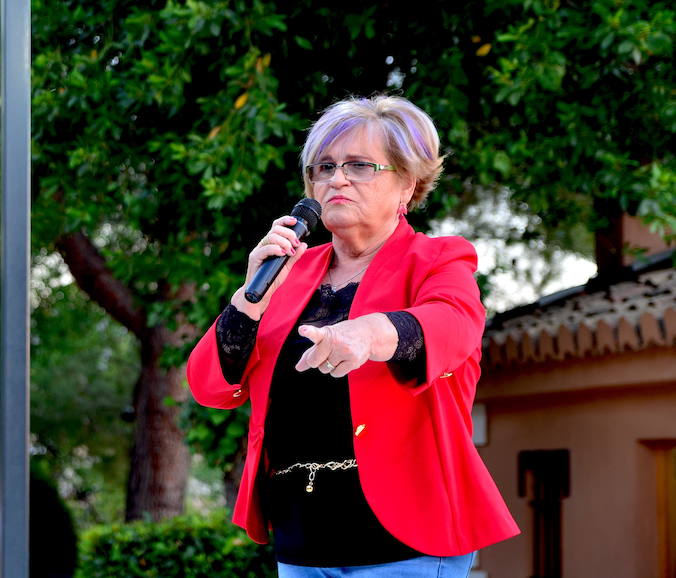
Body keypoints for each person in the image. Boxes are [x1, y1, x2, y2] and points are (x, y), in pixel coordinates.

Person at [187, 94, 520, 577]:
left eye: (359, 165)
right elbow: (210, 385)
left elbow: (453, 327)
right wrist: (249, 296)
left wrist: (368, 333)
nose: (336, 179)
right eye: (324, 167)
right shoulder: (288, 272)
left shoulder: (438, 260)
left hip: (405, 542)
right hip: (302, 539)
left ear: (408, 183)